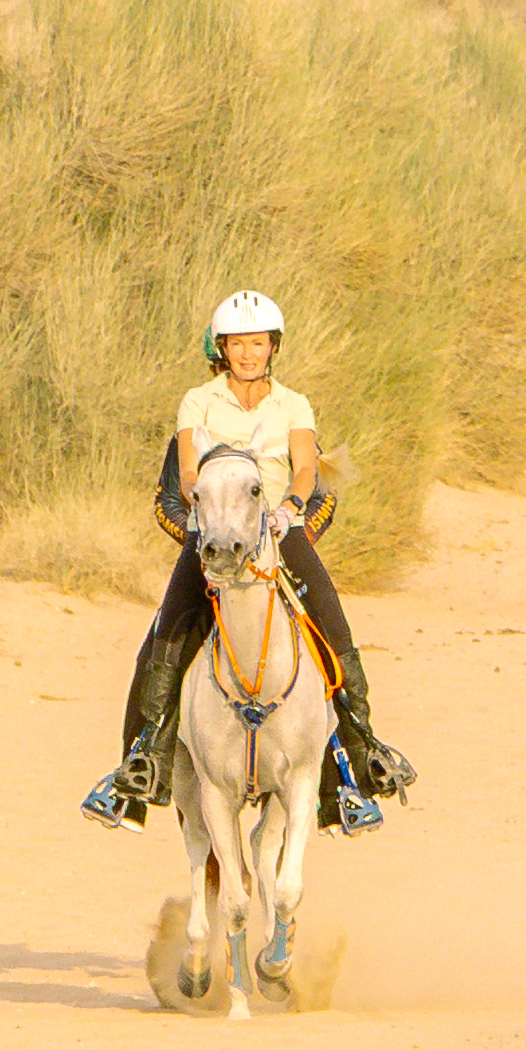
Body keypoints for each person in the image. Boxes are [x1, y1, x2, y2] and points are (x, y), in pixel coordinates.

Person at [82, 291, 415, 829]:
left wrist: (290, 509)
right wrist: (208, 513)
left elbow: (305, 467)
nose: (248, 354)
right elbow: (187, 471)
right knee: (164, 644)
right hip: (211, 536)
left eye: (258, 343)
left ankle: (360, 766)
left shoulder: (293, 405)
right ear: (222, 348)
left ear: (273, 347)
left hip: (280, 535)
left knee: (334, 633)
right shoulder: (198, 401)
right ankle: (138, 770)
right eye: (238, 344)